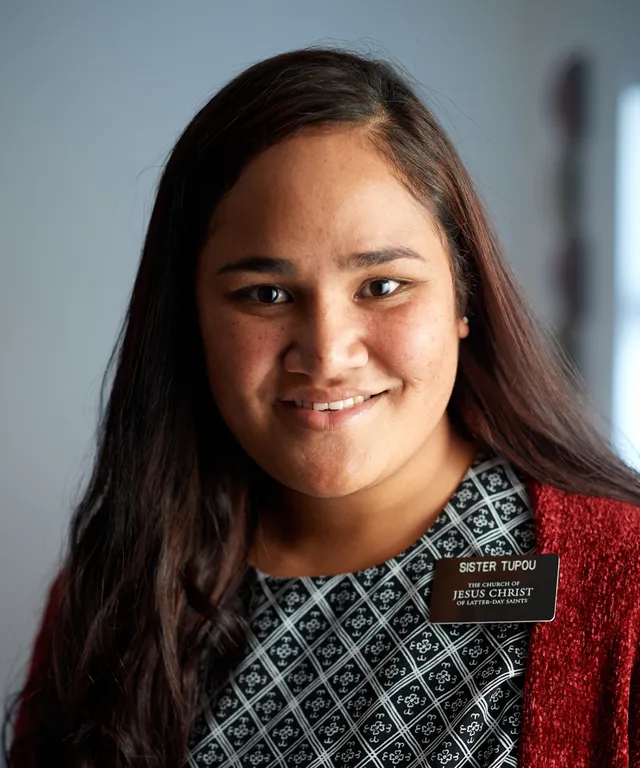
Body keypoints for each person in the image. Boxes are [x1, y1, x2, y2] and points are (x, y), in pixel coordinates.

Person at [4, 47, 640, 768]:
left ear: (463, 296)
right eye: (266, 295)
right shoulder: (116, 587)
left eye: (382, 286)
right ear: (191, 322)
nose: (329, 353)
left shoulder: (626, 585)